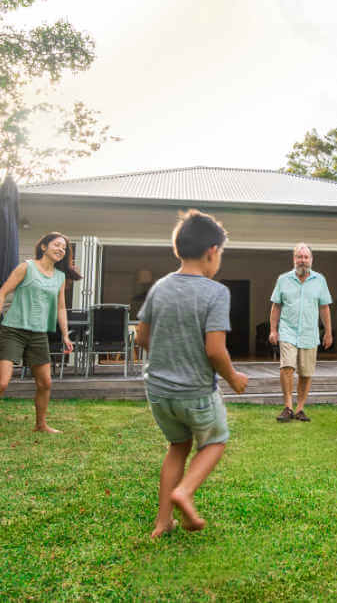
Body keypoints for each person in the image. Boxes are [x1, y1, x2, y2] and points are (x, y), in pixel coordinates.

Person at [135, 209, 248, 538]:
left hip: (158, 392)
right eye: (221, 254)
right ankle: (184, 493)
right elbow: (215, 350)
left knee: (177, 446)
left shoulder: (159, 287)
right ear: (212, 252)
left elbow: (141, 337)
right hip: (195, 393)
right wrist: (234, 378)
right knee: (214, 442)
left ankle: (162, 522)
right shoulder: (216, 293)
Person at [0, 232, 80, 433]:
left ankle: (41, 425)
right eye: (57, 245)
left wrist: (65, 334)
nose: (61, 249)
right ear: (44, 247)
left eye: (64, 248)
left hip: (38, 334)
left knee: (45, 383)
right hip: (13, 330)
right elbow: (3, 292)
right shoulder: (26, 267)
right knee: (2, 382)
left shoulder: (60, 277)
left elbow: (61, 308)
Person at [269, 243, 332, 423]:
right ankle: (288, 407)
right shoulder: (283, 280)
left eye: (306, 257)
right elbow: (276, 306)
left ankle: (300, 408)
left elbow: (324, 307)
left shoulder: (320, 280)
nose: (302, 260)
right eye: (299, 257)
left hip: (309, 333)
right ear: (294, 259)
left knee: (305, 373)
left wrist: (328, 332)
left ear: (311, 260)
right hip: (287, 331)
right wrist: (273, 330)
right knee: (287, 367)